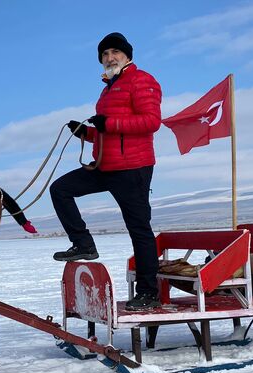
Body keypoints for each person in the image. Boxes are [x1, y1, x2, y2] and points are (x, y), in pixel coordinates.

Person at [50, 32, 161, 311]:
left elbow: (151, 122)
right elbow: (106, 131)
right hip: (105, 165)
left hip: (133, 168)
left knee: (139, 229)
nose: (109, 58)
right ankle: (84, 243)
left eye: (114, 52)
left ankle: (149, 292)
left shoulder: (142, 80)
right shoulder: (108, 88)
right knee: (60, 189)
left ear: (127, 55)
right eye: (104, 54)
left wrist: (107, 124)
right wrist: (86, 132)